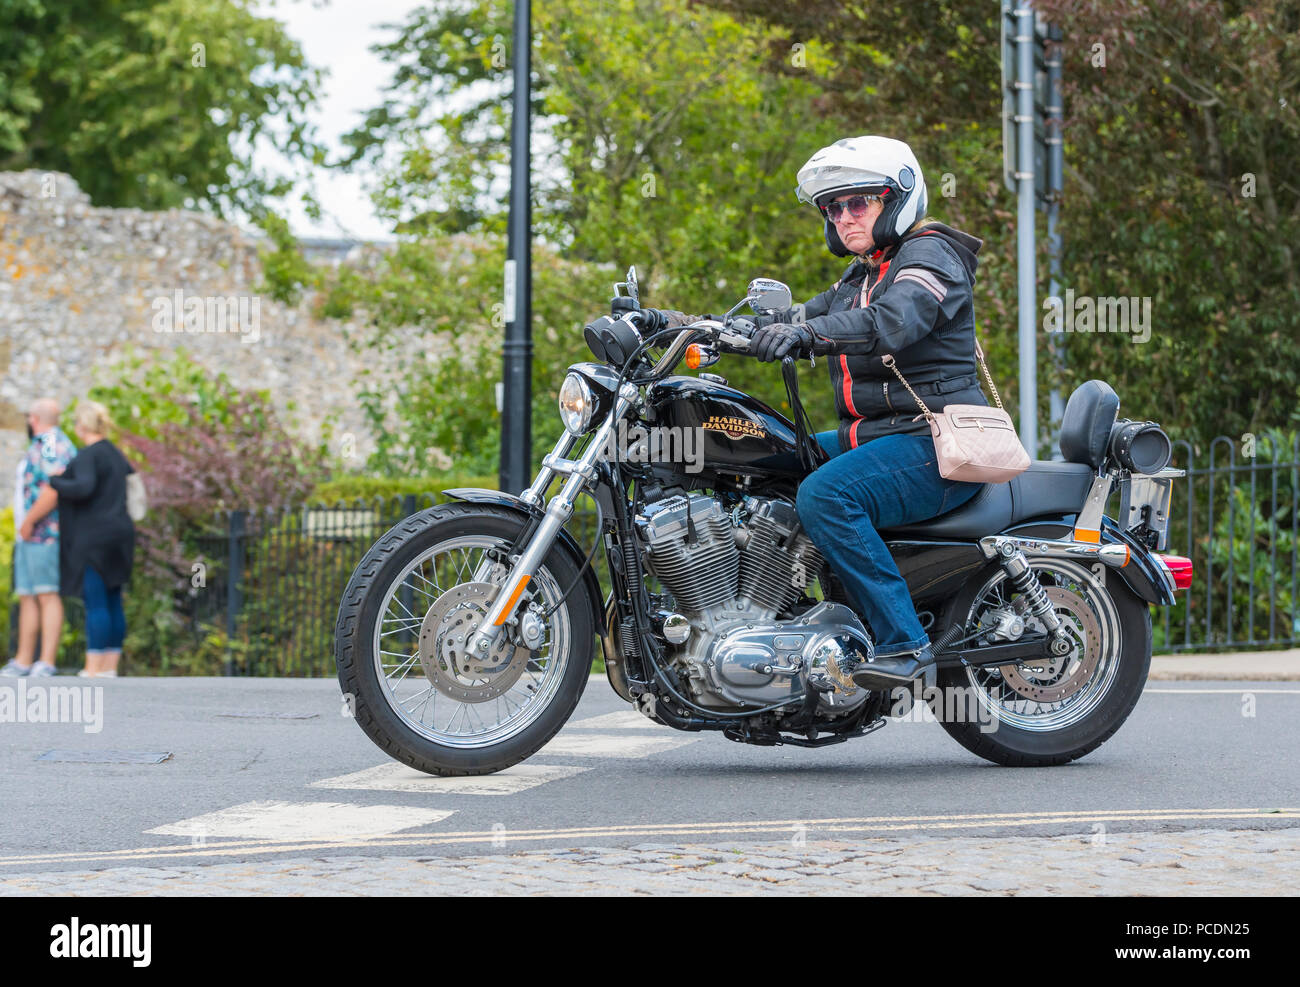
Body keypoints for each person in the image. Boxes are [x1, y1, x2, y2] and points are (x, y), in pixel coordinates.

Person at [745, 135, 990, 692]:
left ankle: (904, 643)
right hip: (875, 436)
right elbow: (795, 315)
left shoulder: (931, 256)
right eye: (833, 208)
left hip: (934, 442)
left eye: (859, 202)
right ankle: (787, 619)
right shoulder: (862, 273)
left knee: (825, 494)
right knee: (765, 453)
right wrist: (694, 324)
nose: (844, 217)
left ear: (897, 198)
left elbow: (894, 320)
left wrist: (806, 334)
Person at [47, 401, 136, 677]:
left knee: (95, 600)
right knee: (113, 600)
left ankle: (93, 667)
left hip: (94, 538)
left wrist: (56, 481)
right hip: (121, 535)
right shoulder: (116, 454)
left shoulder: (88, 455)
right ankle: (110, 666)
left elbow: (84, 487)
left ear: (82, 426)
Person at [3, 398, 76, 677]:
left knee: (46, 593)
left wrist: (31, 519)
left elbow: (53, 487)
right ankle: (23, 660)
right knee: (27, 595)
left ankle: (46, 661)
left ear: (33, 418)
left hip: (44, 533)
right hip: (28, 535)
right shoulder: (43, 443)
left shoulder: (50, 444)